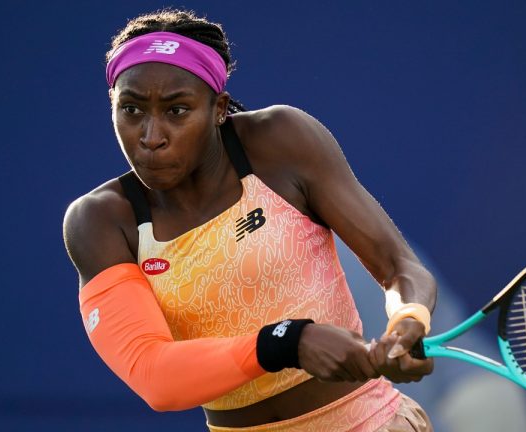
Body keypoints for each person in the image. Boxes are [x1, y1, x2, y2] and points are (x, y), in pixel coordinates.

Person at [63, 8, 437, 432]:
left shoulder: (280, 141)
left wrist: (409, 320)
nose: (151, 137)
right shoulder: (99, 220)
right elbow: (154, 375)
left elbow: (399, 267)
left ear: (218, 108)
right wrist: (288, 342)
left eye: (177, 110)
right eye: (131, 110)